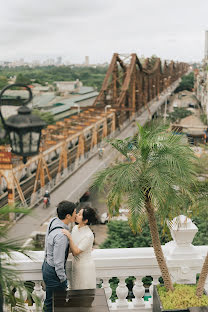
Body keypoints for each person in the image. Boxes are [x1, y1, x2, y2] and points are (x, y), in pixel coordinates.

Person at [42, 201, 76, 312]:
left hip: (47, 265)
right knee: (57, 304)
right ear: (68, 216)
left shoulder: (53, 221)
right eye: (74, 212)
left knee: (49, 302)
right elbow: (58, 262)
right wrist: (63, 279)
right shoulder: (62, 235)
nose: (75, 215)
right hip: (54, 272)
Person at [62, 206, 97, 290]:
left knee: (83, 293)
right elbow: (72, 247)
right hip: (76, 265)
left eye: (80, 214)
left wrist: (69, 237)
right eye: (78, 213)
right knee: (75, 291)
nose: (77, 215)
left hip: (85, 267)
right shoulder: (75, 228)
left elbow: (75, 251)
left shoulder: (88, 235)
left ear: (85, 220)